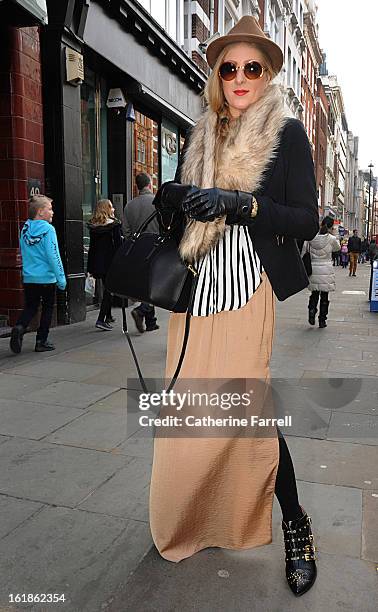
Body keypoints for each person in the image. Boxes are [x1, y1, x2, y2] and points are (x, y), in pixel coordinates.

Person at [150, 16, 319, 597]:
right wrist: (174, 199)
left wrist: (241, 204)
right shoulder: (200, 135)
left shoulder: (288, 133)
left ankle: (296, 525)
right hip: (194, 295)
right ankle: (194, 518)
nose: (241, 77)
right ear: (216, 75)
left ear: (268, 74)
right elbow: (177, 220)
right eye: (230, 67)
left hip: (248, 291)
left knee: (249, 417)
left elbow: (305, 218)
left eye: (253, 67)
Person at [9, 194, 66, 354]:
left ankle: (20, 327)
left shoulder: (25, 228)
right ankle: (41, 340)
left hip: (29, 277)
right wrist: (61, 279)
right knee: (47, 308)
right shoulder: (48, 229)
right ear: (40, 212)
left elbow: (24, 252)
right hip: (47, 278)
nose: (52, 212)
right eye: (50, 209)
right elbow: (53, 255)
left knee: (31, 306)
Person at [123, 173, 160, 333]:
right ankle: (142, 310)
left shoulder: (129, 205)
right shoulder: (157, 203)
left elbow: (125, 231)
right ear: (150, 185)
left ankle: (151, 322)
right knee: (153, 283)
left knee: (146, 283)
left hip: (137, 249)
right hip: (155, 247)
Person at [87, 199, 123, 331]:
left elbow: (92, 247)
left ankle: (108, 315)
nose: (113, 209)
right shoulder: (114, 226)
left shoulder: (94, 227)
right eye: (111, 207)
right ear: (107, 209)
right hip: (111, 262)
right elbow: (119, 246)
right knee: (109, 290)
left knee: (106, 287)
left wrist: (90, 267)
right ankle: (101, 319)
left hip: (98, 263)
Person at [305, 217, 340, 328]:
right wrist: (335, 234)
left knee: (314, 293)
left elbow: (304, 251)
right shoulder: (332, 238)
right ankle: (322, 320)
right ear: (331, 227)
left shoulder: (311, 237)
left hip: (314, 269)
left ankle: (311, 310)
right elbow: (337, 248)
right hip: (326, 269)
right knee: (324, 296)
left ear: (321, 224)